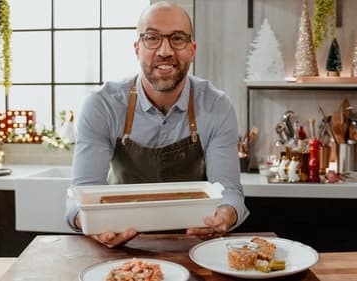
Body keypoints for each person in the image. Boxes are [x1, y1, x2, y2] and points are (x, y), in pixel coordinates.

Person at [65, 1, 249, 248]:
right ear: (137, 48)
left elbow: (229, 191)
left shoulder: (217, 105)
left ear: (192, 49)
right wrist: (91, 224)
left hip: (196, 245)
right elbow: (82, 193)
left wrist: (224, 216)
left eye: (178, 39)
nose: (165, 51)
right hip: (120, 247)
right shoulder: (102, 105)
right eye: (152, 38)